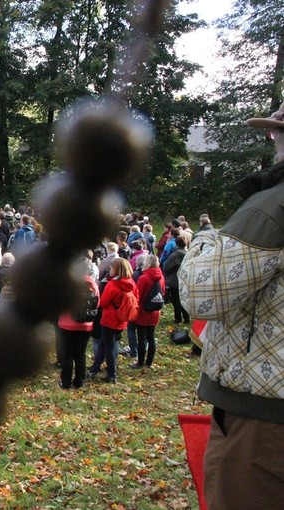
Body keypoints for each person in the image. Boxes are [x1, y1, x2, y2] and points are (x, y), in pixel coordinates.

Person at [178, 104, 284, 509]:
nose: (272, 137)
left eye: (278, 129)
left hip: (264, 423)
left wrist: (205, 239)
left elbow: (202, 294)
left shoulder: (271, 207)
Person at [88, 258, 138, 384]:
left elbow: (103, 302)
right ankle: (94, 368)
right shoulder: (131, 283)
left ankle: (112, 374)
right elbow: (137, 298)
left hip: (109, 319)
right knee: (104, 344)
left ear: (115, 269)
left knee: (108, 346)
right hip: (122, 319)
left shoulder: (113, 285)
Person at [57, 256, 99, 389]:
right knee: (80, 354)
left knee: (67, 353)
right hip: (86, 324)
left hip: (67, 323)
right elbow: (98, 303)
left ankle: (66, 382)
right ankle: (79, 381)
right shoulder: (93, 285)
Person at [131, 254, 164, 369]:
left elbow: (138, 295)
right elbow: (162, 291)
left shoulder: (144, 278)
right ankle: (149, 362)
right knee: (151, 337)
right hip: (154, 311)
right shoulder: (160, 276)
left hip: (143, 311)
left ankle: (140, 362)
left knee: (141, 338)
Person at [163, 235, 190, 324]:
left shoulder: (176, 254)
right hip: (186, 279)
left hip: (175, 279)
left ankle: (178, 318)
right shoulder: (188, 253)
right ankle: (187, 318)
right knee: (184, 299)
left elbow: (167, 266)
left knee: (176, 300)